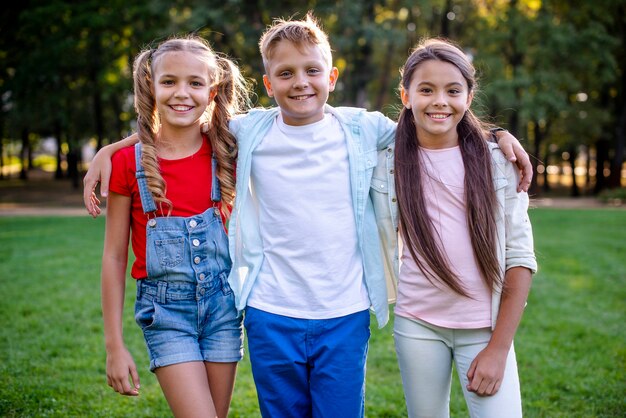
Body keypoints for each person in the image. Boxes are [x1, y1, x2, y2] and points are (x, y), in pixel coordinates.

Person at [84, 15, 532, 418]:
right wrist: (113, 148)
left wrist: (495, 133)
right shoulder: (251, 130)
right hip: (269, 311)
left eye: (312, 71)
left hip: (345, 312)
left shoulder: (361, 129)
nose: (301, 83)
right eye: (286, 74)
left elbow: (434, 117)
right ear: (267, 82)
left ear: (332, 77)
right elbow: (183, 119)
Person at [372, 38, 537, 418]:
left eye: (453, 90)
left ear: (469, 94)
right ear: (406, 95)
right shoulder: (386, 162)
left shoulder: (498, 163)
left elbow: (520, 259)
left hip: (484, 329)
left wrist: (497, 349)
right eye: (426, 90)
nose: (439, 101)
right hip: (417, 325)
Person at [100, 36, 250, 418]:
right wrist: (114, 345)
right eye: (169, 82)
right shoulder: (125, 165)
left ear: (212, 91)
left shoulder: (229, 150)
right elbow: (115, 257)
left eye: (195, 83)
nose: (181, 93)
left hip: (223, 308)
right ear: (151, 85)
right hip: (166, 315)